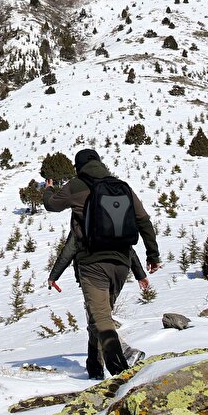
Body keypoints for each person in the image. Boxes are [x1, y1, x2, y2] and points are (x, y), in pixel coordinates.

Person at [43, 148, 161, 378]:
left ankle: (120, 375)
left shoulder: (76, 185)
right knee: (97, 316)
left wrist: (48, 190)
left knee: (101, 318)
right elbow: (144, 222)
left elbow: (52, 205)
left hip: (92, 264)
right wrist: (152, 258)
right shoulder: (121, 188)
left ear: (78, 167)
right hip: (121, 265)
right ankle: (94, 368)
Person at [49, 237, 149, 375]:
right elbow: (129, 248)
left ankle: (126, 353)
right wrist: (140, 274)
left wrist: (54, 276)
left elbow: (70, 249)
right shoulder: (113, 220)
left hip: (91, 272)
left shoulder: (82, 218)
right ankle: (94, 368)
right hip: (119, 270)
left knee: (99, 319)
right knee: (96, 319)